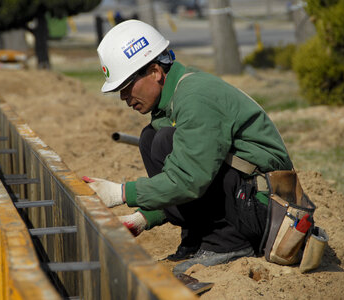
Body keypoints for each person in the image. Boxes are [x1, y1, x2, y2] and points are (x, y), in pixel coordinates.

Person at [84, 19, 293, 274]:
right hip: (246, 200)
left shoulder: (195, 97)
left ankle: (227, 243)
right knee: (152, 138)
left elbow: (189, 178)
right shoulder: (170, 104)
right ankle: (198, 238)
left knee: (163, 141)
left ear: (155, 72)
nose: (124, 98)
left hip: (267, 208)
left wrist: (120, 193)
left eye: (127, 87)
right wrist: (143, 217)